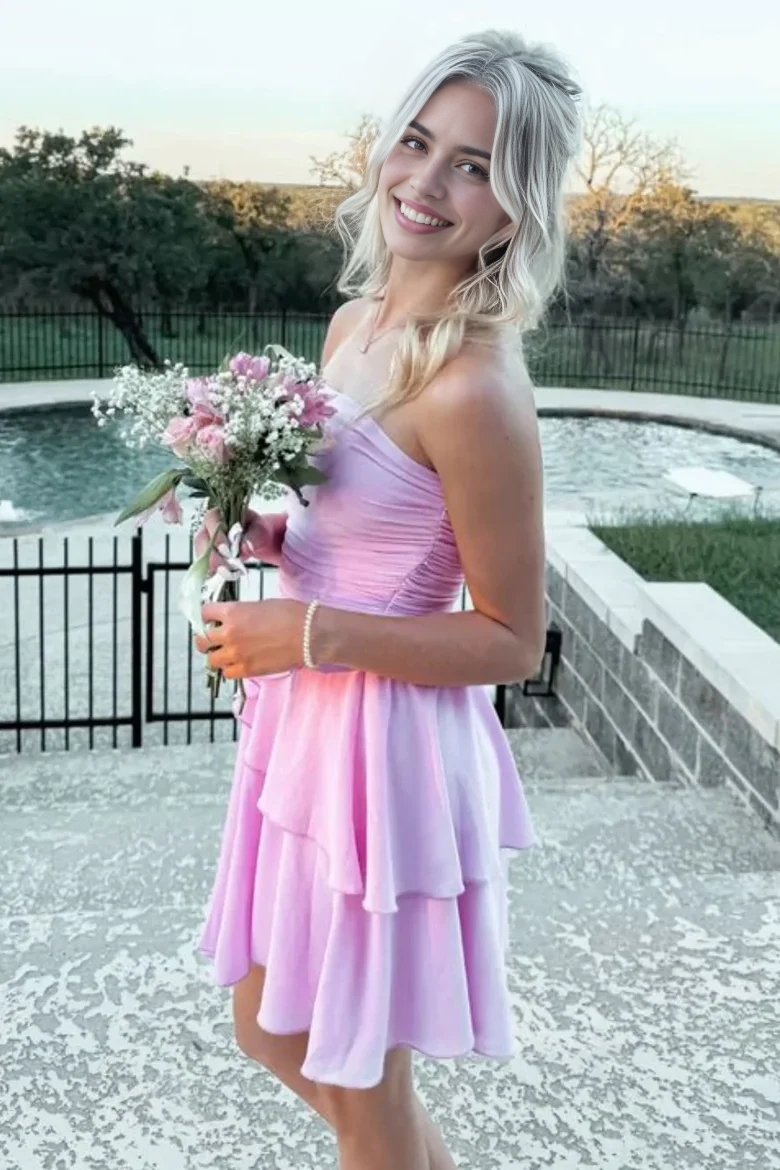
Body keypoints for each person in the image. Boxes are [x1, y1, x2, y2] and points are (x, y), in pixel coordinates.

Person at [194, 28, 582, 1170]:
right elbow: (366, 524)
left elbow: (513, 640)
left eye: (474, 166)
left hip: (384, 756)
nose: (426, 181)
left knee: (360, 1080)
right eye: (418, 142)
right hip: (303, 732)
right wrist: (276, 538)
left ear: (513, 210)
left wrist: (309, 631)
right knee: (272, 1029)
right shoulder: (353, 326)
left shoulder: (474, 389)